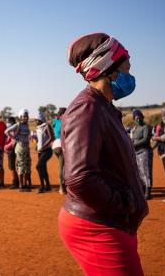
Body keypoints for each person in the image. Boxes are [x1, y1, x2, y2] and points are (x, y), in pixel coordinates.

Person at [59, 33, 147, 275]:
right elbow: (80, 178)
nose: (130, 75)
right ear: (108, 68)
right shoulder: (87, 108)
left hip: (114, 223)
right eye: (126, 68)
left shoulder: (103, 106)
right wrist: (123, 205)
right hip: (98, 226)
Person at [5, 109, 32, 192]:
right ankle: (21, 186)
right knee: (21, 166)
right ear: (20, 117)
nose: (26, 117)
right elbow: (6, 131)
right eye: (24, 116)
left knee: (27, 166)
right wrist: (15, 138)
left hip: (26, 148)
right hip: (20, 148)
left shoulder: (26, 125)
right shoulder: (18, 125)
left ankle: (25, 184)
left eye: (27, 116)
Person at [131, 109, 153, 200]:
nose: (138, 119)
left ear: (142, 117)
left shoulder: (146, 127)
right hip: (136, 153)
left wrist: (133, 145)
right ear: (134, 119)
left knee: (146, 172)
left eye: (139, 117)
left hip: (144, 152)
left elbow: (145, 139)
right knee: (139, 173)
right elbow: (133, 139)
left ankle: (148, 192)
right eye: (136, 118)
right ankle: (142, 191)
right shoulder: (135, 128)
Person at [33, 112, 54, 193]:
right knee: (43, 168)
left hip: (47, 150)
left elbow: (52, 137)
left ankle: (42, 186)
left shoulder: (46, 126)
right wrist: (37, 145)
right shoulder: (38, 128)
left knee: (38, 166)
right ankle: (48, 186)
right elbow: (39, 140)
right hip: (40, 151)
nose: (36, 121)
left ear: (41, 119)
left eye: (37, 120)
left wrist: (43, 146)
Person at [52, 107, 67, 195]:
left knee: (63, 166)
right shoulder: (64, 121)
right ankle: (62, 188)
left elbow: (54, 128)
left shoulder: (55, 121)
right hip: (62, 145)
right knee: (62, 167)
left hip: (55, 145)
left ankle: (63, 186)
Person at [4, 116, 19, 189]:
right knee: (12, 166)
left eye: (8, 122)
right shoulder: (11, 129)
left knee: (12, 166)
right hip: (11, 150)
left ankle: (15, 182)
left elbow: (13, 142)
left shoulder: (13, 130)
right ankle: (17, 182)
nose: (7, 123)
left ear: (12, 122)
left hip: (12, 150)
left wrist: (5, 147)